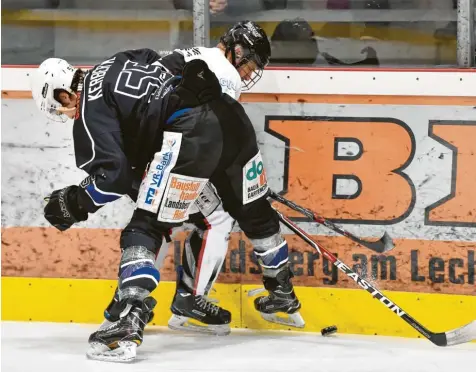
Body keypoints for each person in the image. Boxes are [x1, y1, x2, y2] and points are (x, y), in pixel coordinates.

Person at [31, 21, 303, 362]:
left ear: (64, 94)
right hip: (230, 119)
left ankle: (127, 321)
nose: (70, 113)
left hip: (190, 131)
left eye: (64, 108)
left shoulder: (89, 106)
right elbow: (171, 63)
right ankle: (282, 292)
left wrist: (74, 202)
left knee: (147, 226)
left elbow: (112, 177)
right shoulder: (116, 60)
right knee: (254, 212)